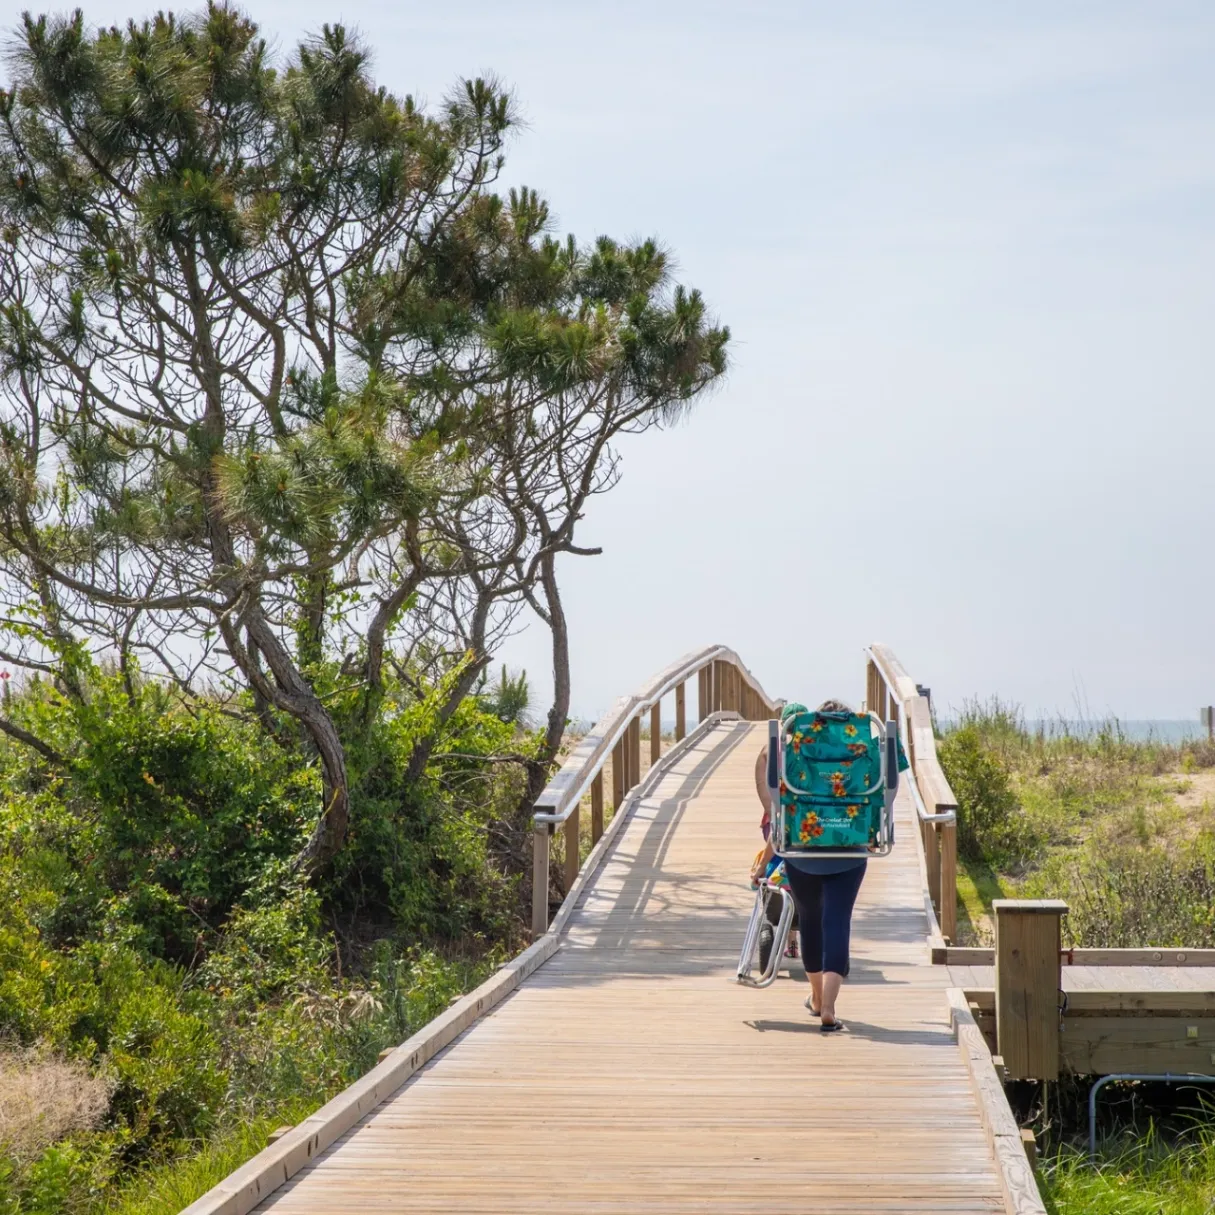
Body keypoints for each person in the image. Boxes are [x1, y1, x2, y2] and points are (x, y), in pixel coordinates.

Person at [750, 698, 868, 1033]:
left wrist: (765, 859)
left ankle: (817, 999)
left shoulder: (795, 753)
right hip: (850, 848)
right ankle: (828, 1006)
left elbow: (776, 803)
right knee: (838, 923)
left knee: (812, 924)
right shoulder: (866, 746)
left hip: (801, 850)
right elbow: (888, 790)